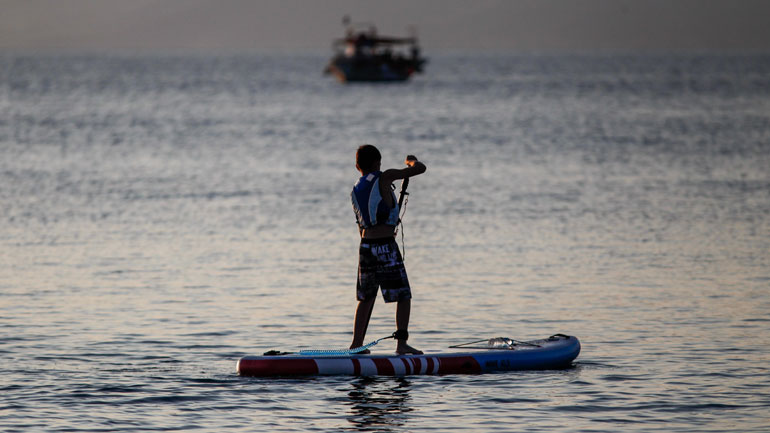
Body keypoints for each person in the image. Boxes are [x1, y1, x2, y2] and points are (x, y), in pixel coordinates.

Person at [350, 144, 426, 355]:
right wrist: (410, 161)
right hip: (385, 247)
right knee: (403, 295)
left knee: (366, 298)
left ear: (357, 166)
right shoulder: (385, 177)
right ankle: (401, 344)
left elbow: (361, 224)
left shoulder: (355, 189)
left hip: (365, 247)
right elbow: (420, 168)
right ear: (377, 163)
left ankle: (357, 344)